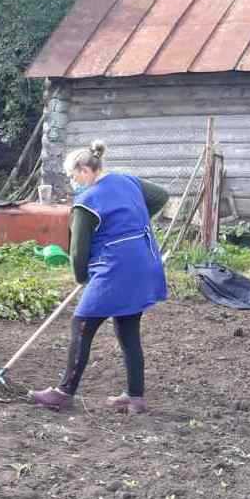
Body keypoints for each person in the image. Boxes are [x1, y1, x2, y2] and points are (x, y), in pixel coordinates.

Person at [29, 140, 168, 415]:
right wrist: (131, 219)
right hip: (144, 262)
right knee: (127, 328)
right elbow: (161, 195)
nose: (72, 182)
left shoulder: (87, 202)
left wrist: (81, 277)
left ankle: (63, 393)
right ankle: (135, 397)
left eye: (72, 176)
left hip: (115, 269)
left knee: (82, 325)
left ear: (84, 170)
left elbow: (78, 250)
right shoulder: (127, 180)